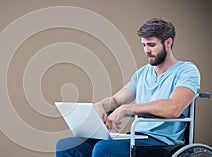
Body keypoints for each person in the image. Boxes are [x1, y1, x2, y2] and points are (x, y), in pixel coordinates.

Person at [56, 18, 201, 157]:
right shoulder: (143, 73)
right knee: (67, 145)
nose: (146, 50)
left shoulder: (187, 70)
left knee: (104, 149)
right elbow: (116, 100)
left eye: (151, 45)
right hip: (136, 137)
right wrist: (100, 105)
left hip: (162, 142)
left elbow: (174, 108)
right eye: (144, 45)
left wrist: (127, 109)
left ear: (168, 42)